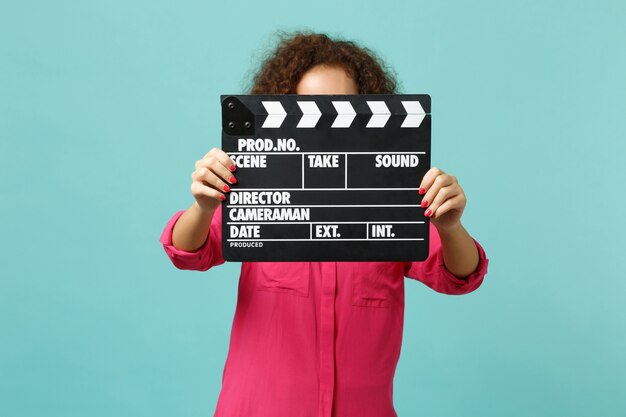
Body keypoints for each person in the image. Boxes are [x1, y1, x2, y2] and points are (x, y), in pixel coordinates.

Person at [159, 31, 490, 417]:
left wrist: (449, 226)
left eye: (342, 107)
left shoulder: (391, 201)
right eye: (309, 107)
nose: (327, 123)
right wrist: (203, 206)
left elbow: (459, 275)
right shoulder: (256, 191)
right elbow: (188, 252)